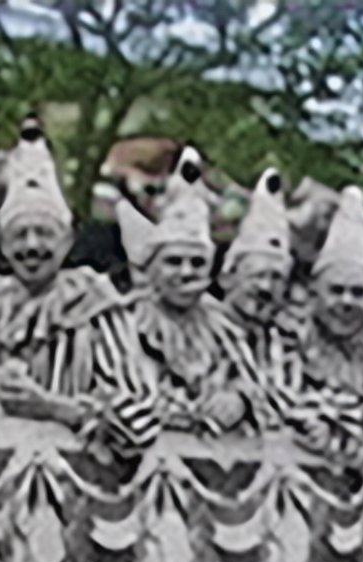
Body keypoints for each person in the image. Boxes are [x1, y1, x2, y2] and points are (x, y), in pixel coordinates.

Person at [0, 120, 158, 452]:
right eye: (20, 235)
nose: (32, 246)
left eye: (44, 233)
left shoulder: (96, 308)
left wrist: (55, 409)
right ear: (3, 246)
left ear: (66, 242)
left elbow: (142, 420)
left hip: (72, 489)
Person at [115, 147, 270, 435]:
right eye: (174, 262)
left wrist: (240, 399)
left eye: (197, 263)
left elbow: (258, 385)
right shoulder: (124, 322)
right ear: (152, 268)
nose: (186, 272)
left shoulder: (224, 329)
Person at [281, 186, 363, 461]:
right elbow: (281, 402)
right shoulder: (290, 338)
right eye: (336, 291)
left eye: (358, 293)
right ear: (315, 293)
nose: (347, 302)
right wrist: (360, 417)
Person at [219, 167, 305, 407]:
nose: (266, 288)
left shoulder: (288, 343)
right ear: (227, 278)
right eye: (256, 276)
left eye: (277, 278)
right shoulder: (200, 334)